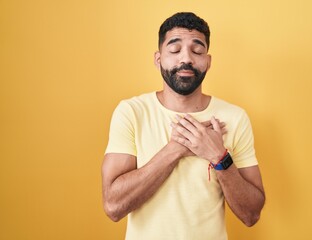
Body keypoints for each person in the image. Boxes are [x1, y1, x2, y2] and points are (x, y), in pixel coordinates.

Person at [102, 12, 265, 240]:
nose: (186, 59)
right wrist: (176, 148)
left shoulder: (234, 117)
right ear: (158, 59)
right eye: (175, 50)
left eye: (197, 50)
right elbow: (113, 206)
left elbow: (252, 214)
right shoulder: (131, 112)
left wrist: (219, 157)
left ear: (208, 62)